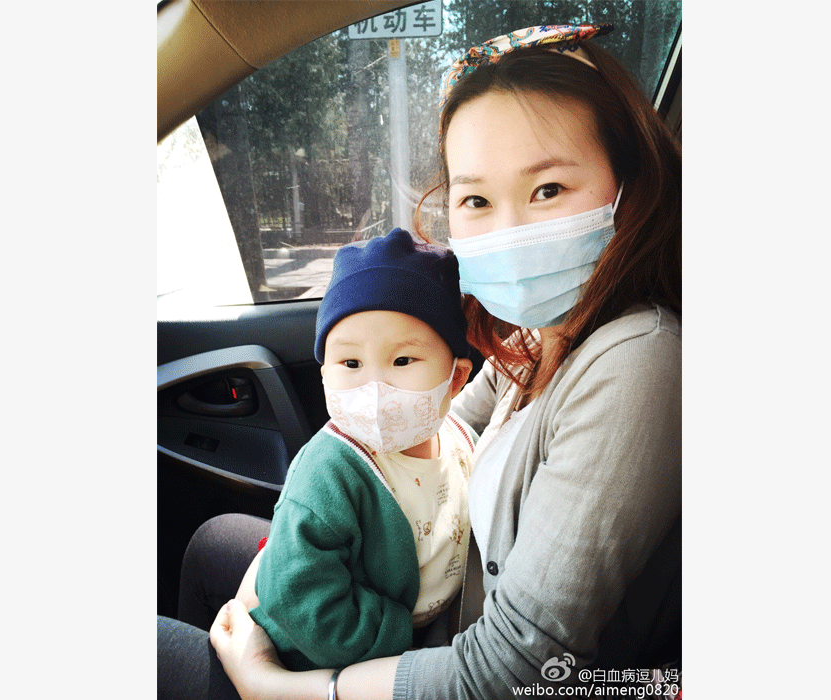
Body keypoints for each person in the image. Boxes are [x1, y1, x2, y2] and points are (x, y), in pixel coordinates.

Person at [159, 22, 681, 700]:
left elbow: (511, 672)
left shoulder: (637, 363)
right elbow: (439, 427)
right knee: (217, 541)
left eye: (548, 189)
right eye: (476, 199)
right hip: (434, 604)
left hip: (462, 663)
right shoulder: (539, 339)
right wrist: (292, 537)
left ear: (630, 186)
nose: (508, 230)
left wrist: (282, 687)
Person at [243, 228, 477, 672]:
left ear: (457, 378)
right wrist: (398, 641)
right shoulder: (328, 471)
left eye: (403, 360)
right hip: (316, 659)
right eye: (350, 363)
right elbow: (298, 594)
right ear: (325, 375)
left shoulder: (463, 443)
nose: (374, 387)